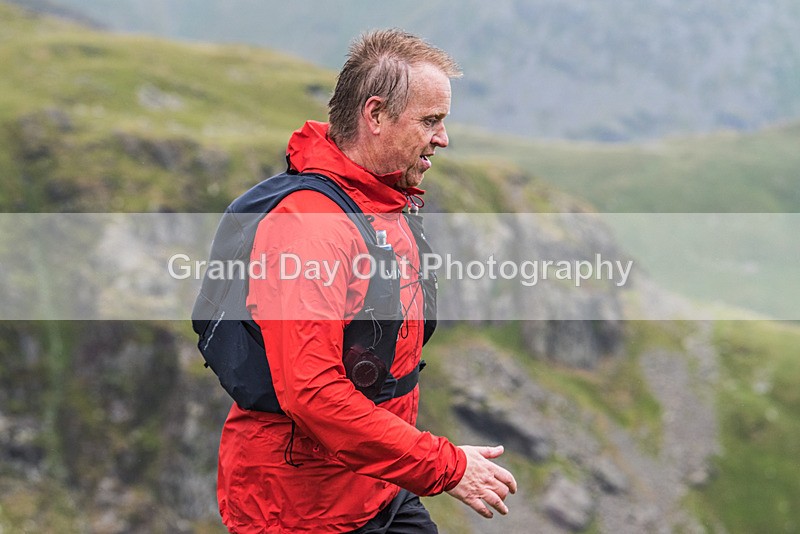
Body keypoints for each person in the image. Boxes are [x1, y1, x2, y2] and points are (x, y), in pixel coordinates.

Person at [215, 29, 517, 533]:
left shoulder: (383, 200)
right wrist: (443, 466)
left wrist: (421, 462)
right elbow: (313, 394)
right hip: (299, 511)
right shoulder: (311, 228)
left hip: (377, 489)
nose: (442, 138)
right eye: (430, 121)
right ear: (375, 116)